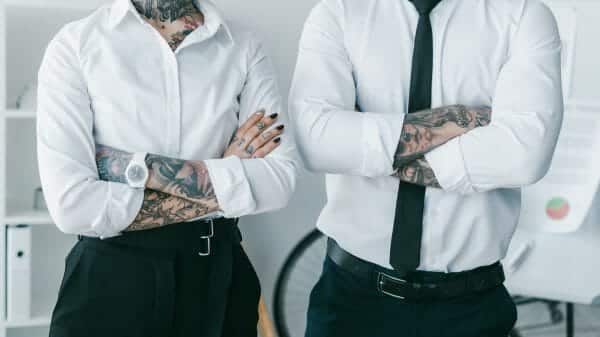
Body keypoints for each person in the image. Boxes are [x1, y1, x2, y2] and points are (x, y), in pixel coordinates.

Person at [290, 0, 563, 336]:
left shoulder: (522, 14)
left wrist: (367, 150)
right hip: (350, 303)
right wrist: (462, 122)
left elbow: (524, 156)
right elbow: (316, 142)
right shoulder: (339, 12)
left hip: (470, 308)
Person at [37, 0, 299, 336]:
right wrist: (228, 174)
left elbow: (279, 180)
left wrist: (135, 167)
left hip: (218, 278)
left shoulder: (243, 45)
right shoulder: (75, 44)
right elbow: (73, 205)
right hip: (110, 279)